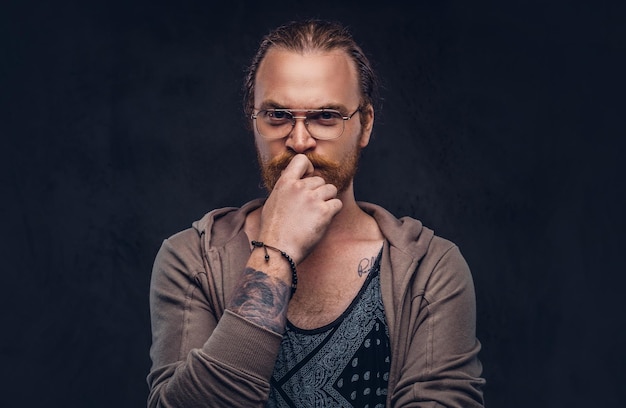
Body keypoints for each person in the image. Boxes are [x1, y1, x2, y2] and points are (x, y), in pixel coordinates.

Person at [147, 19, 485, 407]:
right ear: (252, 122)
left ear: (365, 126)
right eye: (277, 116)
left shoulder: (430, 269)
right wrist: (274, 254)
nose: (300, 140)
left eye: (326, 117)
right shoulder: (193, 259)